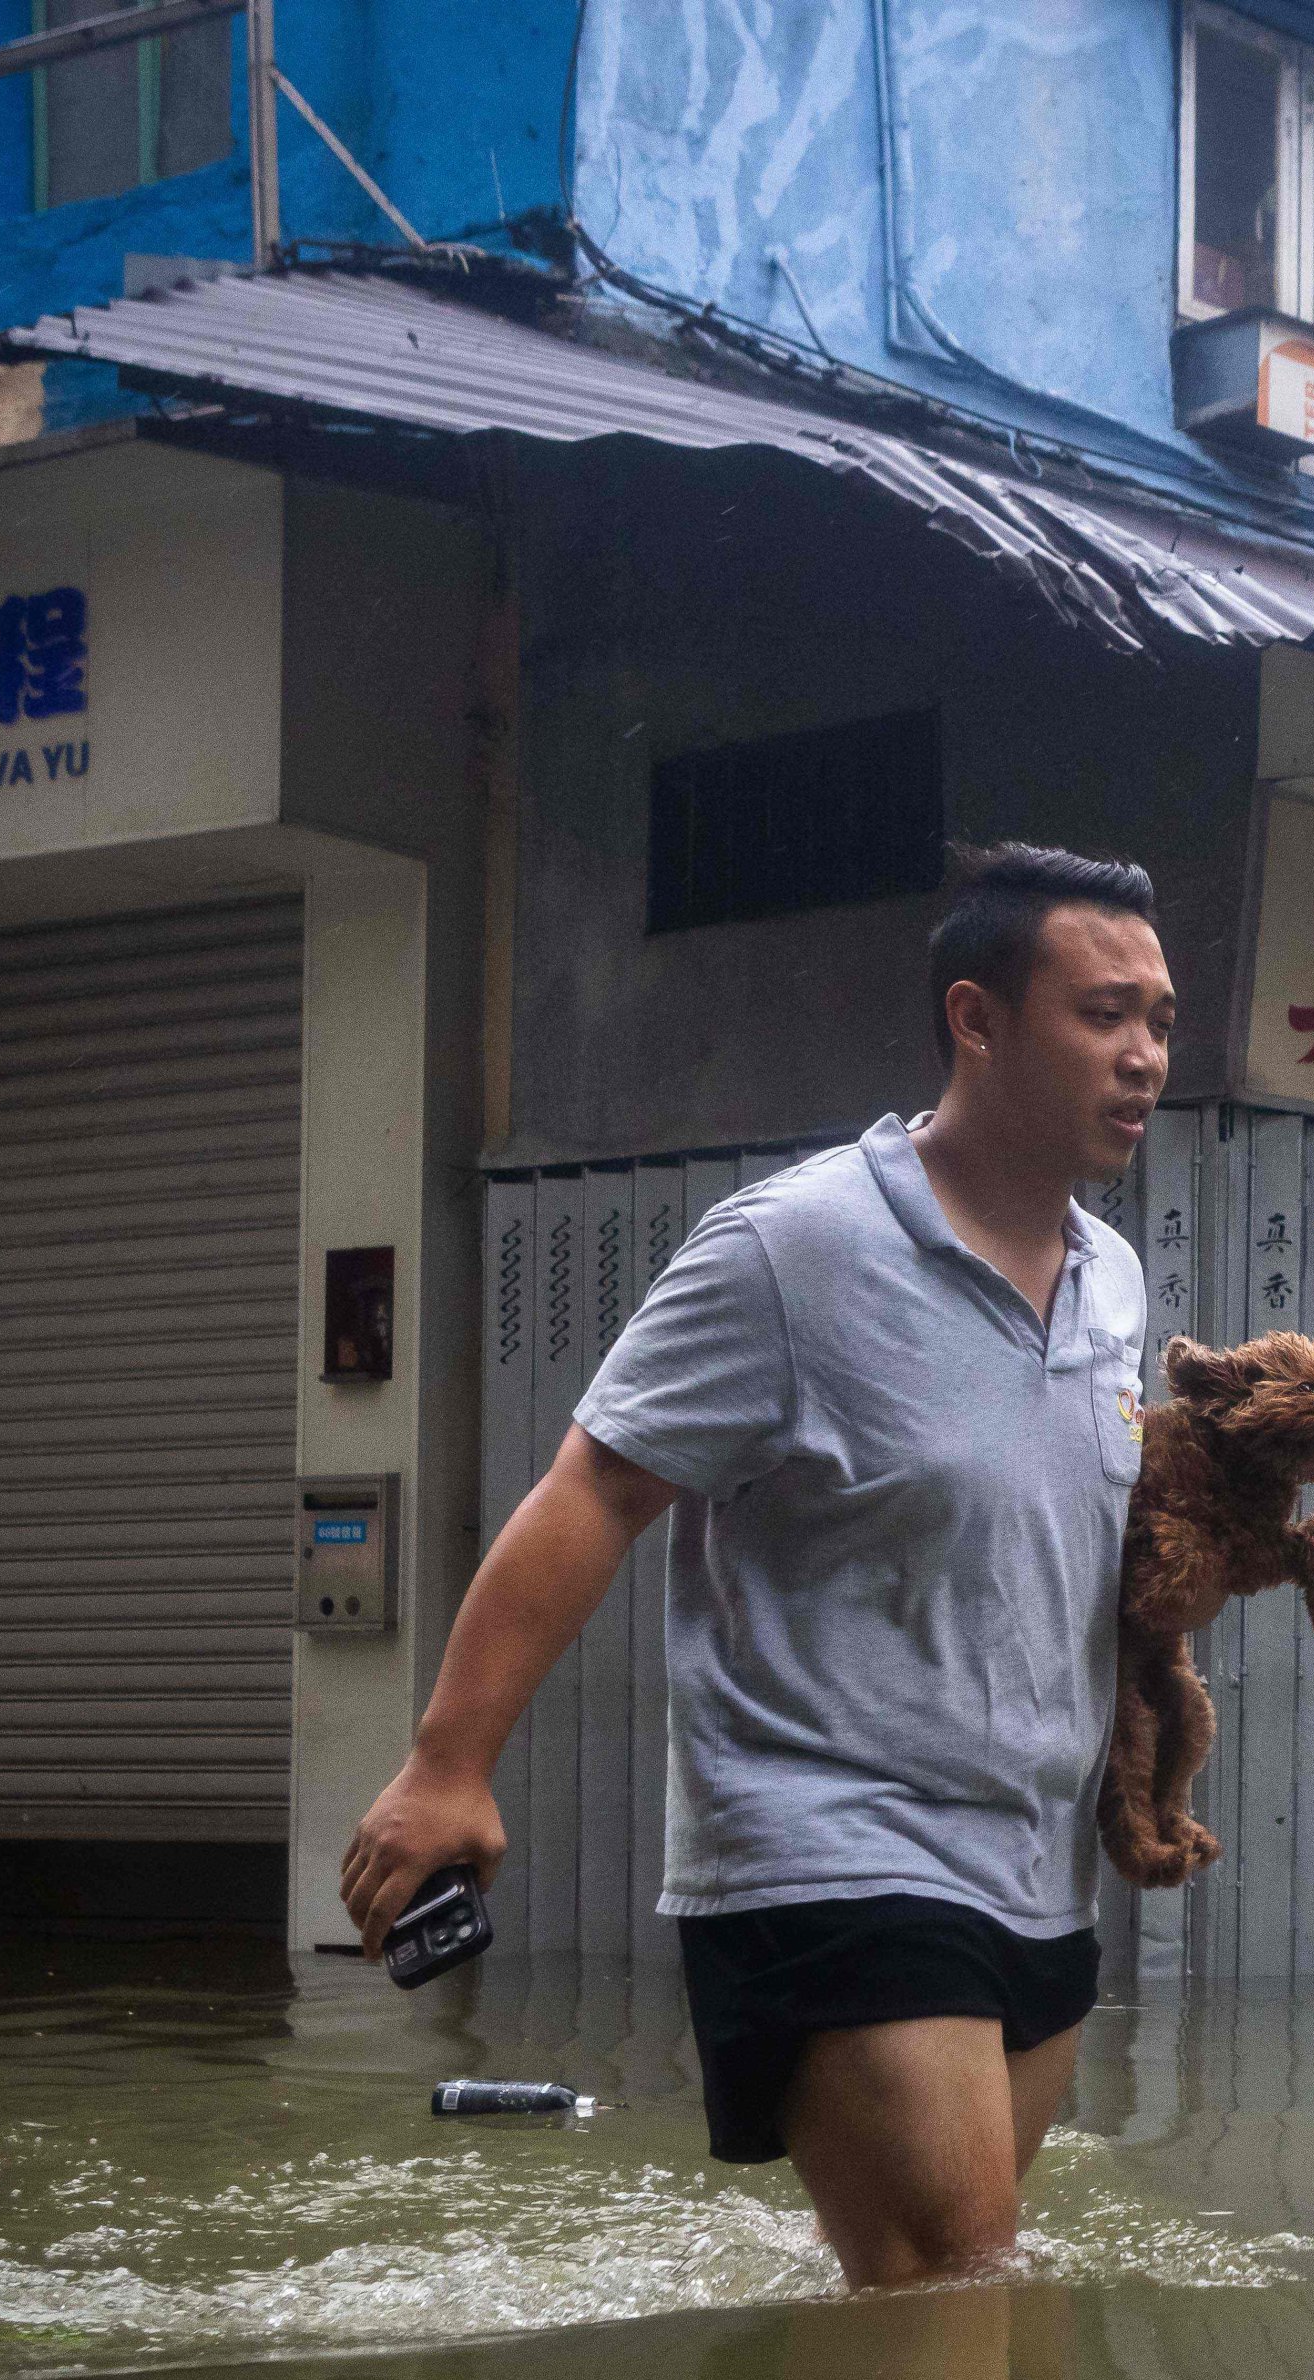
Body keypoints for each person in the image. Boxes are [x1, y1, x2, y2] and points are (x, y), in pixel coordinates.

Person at [339, 844, 1174, 2286]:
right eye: (1104, 1015)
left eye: (1160, 1018)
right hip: (828, 1845)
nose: (1146, 1055)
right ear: (977, 1019)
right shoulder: (797, 1249)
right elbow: (595, 1488)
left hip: (1036, 1871)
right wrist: (445, 1763)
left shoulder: (1113, 1277)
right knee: (956, 2273)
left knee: (936, 2287)